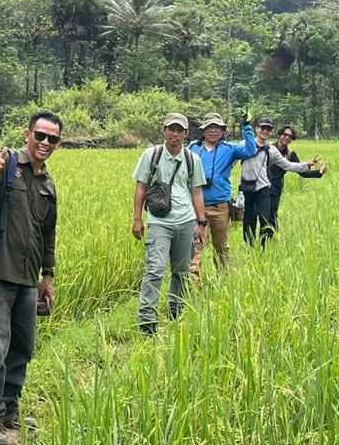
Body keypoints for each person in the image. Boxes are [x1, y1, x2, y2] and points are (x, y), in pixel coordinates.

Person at [0, 111, 62, 445]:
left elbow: (48, 236)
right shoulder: (5, 164)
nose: (45, 142)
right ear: (27, 134)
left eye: (52, 138)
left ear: (58, 143)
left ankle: (10, 412)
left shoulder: (48, 185)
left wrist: (47, 276)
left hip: (27, 279)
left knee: (22, 347)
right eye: (40, 135)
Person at [132, 112, 207, 335]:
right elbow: (140, 188)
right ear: (163, 130)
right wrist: (137, 219)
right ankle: (147, 319)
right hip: (158, 222)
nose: (175, 134)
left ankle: (176, 310)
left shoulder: (193, 159)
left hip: (186, 221)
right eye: (171, 129)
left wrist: (201, 223)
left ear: (185, 134)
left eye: (179, 130)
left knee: (181, 271)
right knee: (155, 269)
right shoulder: (151, 155)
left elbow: (196, 192)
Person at [188, 112, 256, 279]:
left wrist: (246, 126)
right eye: (210, 127)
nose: (213, 131)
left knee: (222, 246)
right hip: (197, 207)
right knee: (196, 246)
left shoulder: (229, 148)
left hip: (220, 206)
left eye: (217, 128)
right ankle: (193, 283)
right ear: (203, 130)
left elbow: (251, 150)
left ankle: (224, 280)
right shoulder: (192, 148)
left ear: (222, 131)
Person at [237, 117, 318, 249]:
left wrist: (307, 165)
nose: (265, 131)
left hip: (263, 189)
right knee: (248, 220)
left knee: (265, 220)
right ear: (256, 129)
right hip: (247, 187)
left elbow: (289, 165)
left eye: (268, 129)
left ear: (271, 132)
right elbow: (231, 161)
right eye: (262, 128)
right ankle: (249, 249)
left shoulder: (271, 150)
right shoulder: (243, 144)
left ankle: (264, 249)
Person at [267, 123, 328, 230]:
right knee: (256, 214)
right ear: (280, 134)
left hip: (275, 188)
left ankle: (269, 239)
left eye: (290, 136)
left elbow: (302, 172)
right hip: (261, 184)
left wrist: (319, 172)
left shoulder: (290, 155)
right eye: (285, 134)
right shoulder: (268, 148)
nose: (286, 138)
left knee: (271, 214)